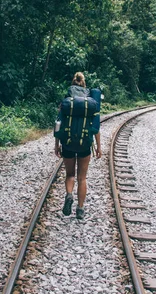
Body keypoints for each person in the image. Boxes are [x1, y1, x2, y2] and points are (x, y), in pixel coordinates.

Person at [54, 72, 102, 219]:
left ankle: (69, 195)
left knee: (70, 175)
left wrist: (57, 144)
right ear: (84, 84)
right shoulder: (91, 104)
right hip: (85, 145)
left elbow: (58, 124)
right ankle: (80, 209)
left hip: (67, 143)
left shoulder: (67, 102)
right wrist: (99, 147)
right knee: (82, 178)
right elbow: (96, 128)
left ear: (72, 83)